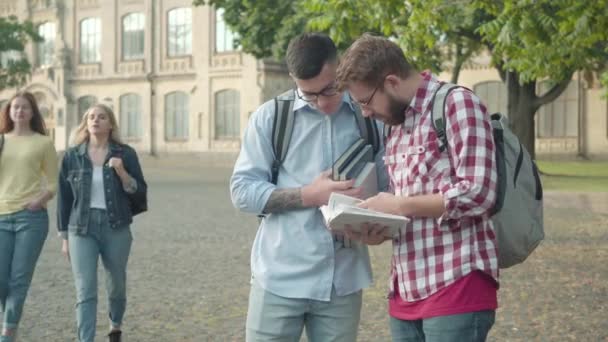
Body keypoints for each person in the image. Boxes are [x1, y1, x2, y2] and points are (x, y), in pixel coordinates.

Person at [336, 34, 499, 341]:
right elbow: (408, 209)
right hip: (405, 290)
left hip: (458, 283)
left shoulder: (457, 104)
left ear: (392, 81)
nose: (366, 113)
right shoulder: (393, 126)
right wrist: (377, 230)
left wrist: (398, 205)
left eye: (366, 102)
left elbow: (480, 192)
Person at [230, 32, 388, 341]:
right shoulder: (270, 118)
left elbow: (387, 187)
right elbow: (242, 191)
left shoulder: (370, 118)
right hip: (279, 276)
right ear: (293, 79)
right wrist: (310, 195)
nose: (321, 102)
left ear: (340, 66)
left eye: (329, 89)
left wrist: (374, 224)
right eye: (309, 94)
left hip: (342, 281)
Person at [57, 104, 147, 342]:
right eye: (91, 117)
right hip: (81, 229)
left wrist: (122, 173)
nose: (96, 120)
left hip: (115, 227)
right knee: (85, 289)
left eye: (101, 117)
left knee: (116, 283)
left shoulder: (125, 154)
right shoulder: (72, 156)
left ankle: (115, 324)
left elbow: (139, 193)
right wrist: (64, 237)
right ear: (86, 123)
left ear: (110, 124)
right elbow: (64, 200)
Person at [0, 92, 58, 342]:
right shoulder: (1, 140)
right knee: (2, 279)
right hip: (1, 217)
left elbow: (54, 183)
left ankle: (8, 330)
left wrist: (39, 201)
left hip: (30, 219)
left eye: (24, 107)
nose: (19, 111)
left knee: (19, 278)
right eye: (15, 107)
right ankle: (9, 319)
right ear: (8, 112)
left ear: (33, 112)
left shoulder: (43, 143)